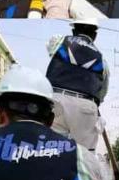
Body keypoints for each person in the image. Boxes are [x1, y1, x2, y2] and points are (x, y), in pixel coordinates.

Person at [46, 18, 108, 151]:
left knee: (52, 151)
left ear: (73, 30)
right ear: (95, 35)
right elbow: (102, 91)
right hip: (85, 106)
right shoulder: (102, 60)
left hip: (56, 101)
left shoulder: (59, 41)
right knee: (85, 156)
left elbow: (50, 51)